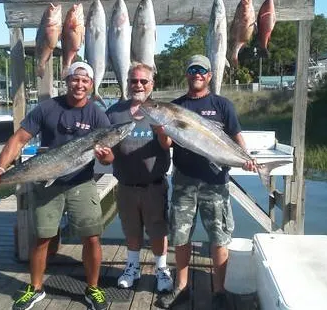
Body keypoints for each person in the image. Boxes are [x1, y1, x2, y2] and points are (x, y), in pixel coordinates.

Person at [0, 62, 110, 310]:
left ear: (91, 85)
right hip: (46, 182)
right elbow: (19, 139)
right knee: (42, 237)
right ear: (67, 81)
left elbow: (108, 157)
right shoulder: (47, 108)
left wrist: (106, 157)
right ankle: (35, 288)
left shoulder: (97, 114)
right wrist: (0, 167)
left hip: (81, 183)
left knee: (92, 238)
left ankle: (93, 288)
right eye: (75, 79)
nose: (80, 84)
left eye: (85, 81)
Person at [157, 55, 256, 309]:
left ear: (210, 75)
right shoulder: (175, 106)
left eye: (202, 70)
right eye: (192, 69)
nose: (197, 74)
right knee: (180, 235)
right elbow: (166, 144)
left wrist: (247, 159)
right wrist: (161, 129)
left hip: (216, 182)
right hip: (184, 182)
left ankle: (219, 290)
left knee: (219, 237)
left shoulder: (223, 105)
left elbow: (235, 135)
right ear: (187, 74)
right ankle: (181, 287)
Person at [96, 62, 173, 293]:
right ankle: (132, 267)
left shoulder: (161, 111)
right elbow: (106, 158)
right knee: (131, 229)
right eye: (133, 81)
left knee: (158, 230)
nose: (138, 85)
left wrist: (161, 132)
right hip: (126, 185)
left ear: (152, 84)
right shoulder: (114, 112)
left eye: (143, 81)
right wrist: (105, 156)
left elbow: (167, 144)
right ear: (127, 83)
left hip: (154, 185)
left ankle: (161, 268)